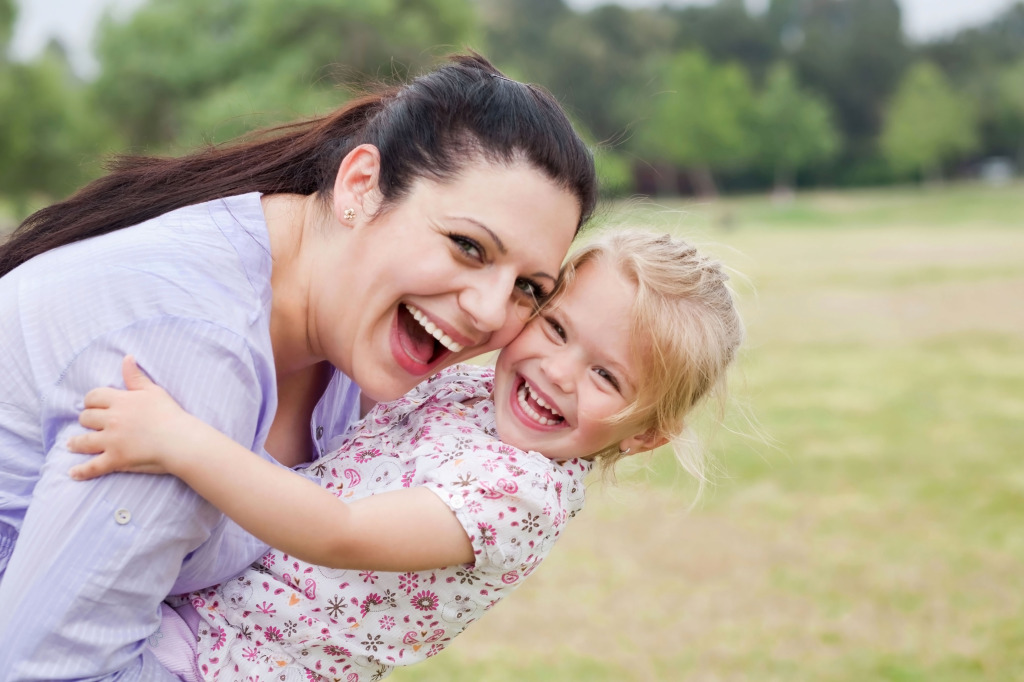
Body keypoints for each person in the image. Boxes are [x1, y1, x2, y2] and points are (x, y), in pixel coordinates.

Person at [0, 53, 597, 681]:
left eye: (529, 287)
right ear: (360, 186)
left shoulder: (346, 336)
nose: (487, 311)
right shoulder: (193, 353)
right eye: (468, 246)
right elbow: (47, 669)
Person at [67, 230, 745, 681]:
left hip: (229, 663)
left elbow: (341, 532)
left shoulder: (519, 496)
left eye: (606, 377)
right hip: (200, 606)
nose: (559, 372)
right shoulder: (485, 388)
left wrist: (182, 442)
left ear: (646, 433)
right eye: (558, 329)